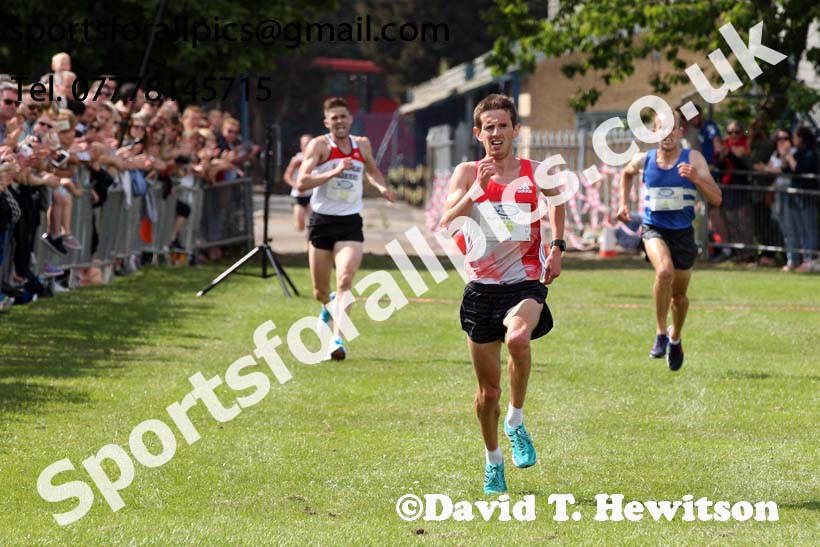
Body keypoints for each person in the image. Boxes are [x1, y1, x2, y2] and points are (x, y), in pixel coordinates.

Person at [438, 93, 565, 495]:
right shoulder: (467, 172)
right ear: (478, 133)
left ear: (515, 130)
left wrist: (557, 245)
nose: (496, 132)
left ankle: (516, 420)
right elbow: (445, 222)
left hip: (525, 281)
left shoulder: (535, 171)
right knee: (486, 392)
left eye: (503, 125)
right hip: (481, 288)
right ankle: (493, 461)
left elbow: (557, 199)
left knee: (518, 338)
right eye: (488, 127)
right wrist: (477, 189)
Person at [616, 108, 722, 371]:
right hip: (654, 229)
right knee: (664, 272)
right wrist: (623, 204)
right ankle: (661, 333)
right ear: (654, 132)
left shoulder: (693, 158)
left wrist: (697, 179)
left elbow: (717, 198)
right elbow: (626, 173)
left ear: (679, 132)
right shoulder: (645, 160)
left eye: (672, 128)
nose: (667, 134)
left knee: (680, 298)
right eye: (661, 128)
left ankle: (675, 338)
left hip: (684, 233)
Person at [296, 97, 396, 360]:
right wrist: (334, 171)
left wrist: (381, 186)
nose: (339, 121)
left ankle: (337, 340)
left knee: (345, 280)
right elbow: (303, 181)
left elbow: (373, 171)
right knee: (319, 291)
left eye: (343, 116)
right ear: (326, 122)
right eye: (334, 118)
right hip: (321, 222)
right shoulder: (320, 146)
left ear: (350, 119)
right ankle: (328, 305)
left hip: (350, 222)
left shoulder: (361, 144)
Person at [779, 126, 819, 271]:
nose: (792, 140)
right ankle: (795, 260)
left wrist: (789, 154)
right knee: (795, 229)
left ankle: (809, 261)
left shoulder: (811, 154)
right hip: (795, 198)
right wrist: (784, 155)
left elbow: (799, 168)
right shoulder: (797, 153)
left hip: (807, 198)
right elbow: (786, 169)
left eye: (795, 137)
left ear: (802, 138)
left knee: (809, 229)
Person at [283, 134, 313, 232]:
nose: (307, 145)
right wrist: (297, 186)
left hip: (311, 195)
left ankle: (310, 242)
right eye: (304, 144)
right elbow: (287, 176)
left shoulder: (317, 158)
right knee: (300, 225)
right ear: (301, 146)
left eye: (309, 143)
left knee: (313, 222)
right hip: (298, 196)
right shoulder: (297, 159)